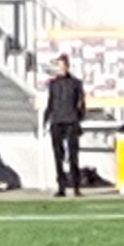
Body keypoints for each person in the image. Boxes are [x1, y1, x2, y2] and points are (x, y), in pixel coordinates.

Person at [43, 54, 85, 198]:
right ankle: (61, 187)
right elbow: (50, 103)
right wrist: (45, 120)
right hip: (56, 121)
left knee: (73, 155)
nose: (61, 68)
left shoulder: (75, 83)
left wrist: (78, 118)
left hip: (71, 121)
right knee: (58, 155)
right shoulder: (53, 84)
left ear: (67, 66)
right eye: (59, 66)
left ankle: (76, 186)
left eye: (63, 66)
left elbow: (81, 103)